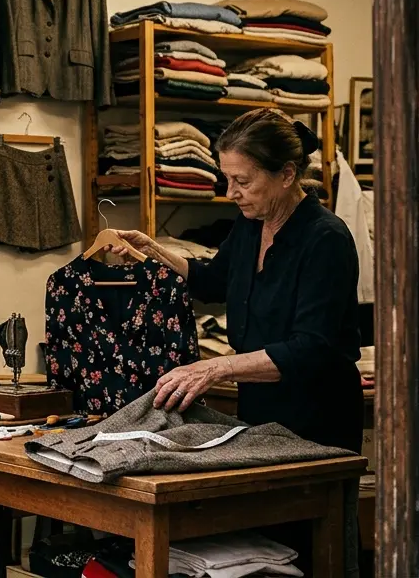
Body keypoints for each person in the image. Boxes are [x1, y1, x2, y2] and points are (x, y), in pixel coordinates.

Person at [113, 109, 362, 577]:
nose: (231, 194)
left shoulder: (325, 238)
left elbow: (312, 347)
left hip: (318, 418)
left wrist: (216, 368)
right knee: (265, 552)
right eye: (227, 179)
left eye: (242, 181)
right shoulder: (250, 226)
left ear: (287, 174)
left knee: (310, 547)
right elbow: (211, 281)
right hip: (262, 411)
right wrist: (153, 252)